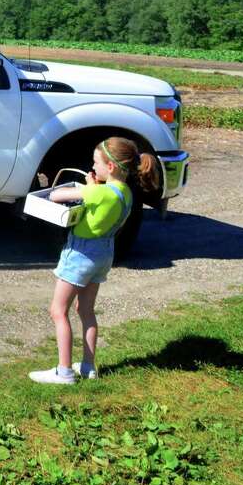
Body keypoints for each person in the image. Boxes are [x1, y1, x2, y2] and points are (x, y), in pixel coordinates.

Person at [28, 137, 158, 384]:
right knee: (85, 310)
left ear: (110, 167)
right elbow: (101, 199)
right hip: (104, 254)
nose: (93, 167)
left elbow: (57, 195)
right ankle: (88, 366)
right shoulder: (126, 193)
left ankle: (64, 371)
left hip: (80, 255)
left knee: (58, 310)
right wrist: (92, 185)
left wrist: (87, 188)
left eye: (95, 162)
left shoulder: (98, 193)